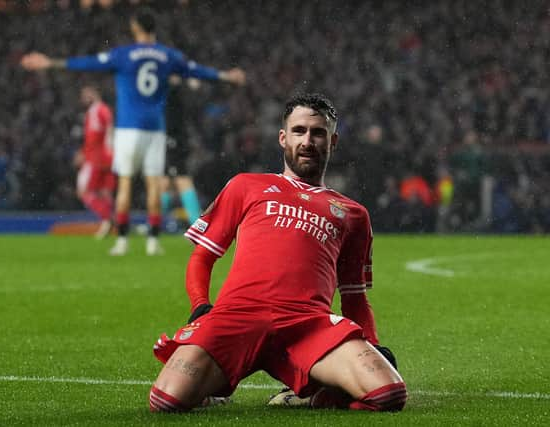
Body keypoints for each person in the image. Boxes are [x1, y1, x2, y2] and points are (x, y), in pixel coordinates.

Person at [149, 93, 407, 413]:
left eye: (318, 132)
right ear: (283, 138)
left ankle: (312, 395)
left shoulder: (354, 214)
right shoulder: (246, 186)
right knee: (166, 401)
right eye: (299, 131)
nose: (307, 141)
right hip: (238, 317)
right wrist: (201, 307)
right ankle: (215, 383)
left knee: (389, 394)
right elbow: (203, 257)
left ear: (333, 140)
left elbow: (354, 297)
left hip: (308, 325)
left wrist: (372, 342)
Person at [20, 7, 246, 256]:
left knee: (125, 185)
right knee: (153, 186)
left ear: (136, 28)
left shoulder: (124, 55)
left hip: (128, 129)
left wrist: (50, 62)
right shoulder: (168, 55)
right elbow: (196, 70)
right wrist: (226, 76)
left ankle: (123, 241)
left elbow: (88, 63)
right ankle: (152, 242)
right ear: (154, 29)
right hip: (156, 130)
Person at [74, 85, 116, 239]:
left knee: (83, 191)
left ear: (94, 93)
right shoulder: (102, 110)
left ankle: (108, 218)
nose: (83, 98)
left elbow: (100, 133)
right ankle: (110, 222)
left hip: (96, 158)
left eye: (86, 94)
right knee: (105, 192)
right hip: (106, 157)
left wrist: (86, 153)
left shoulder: (97, 110)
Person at [161, 76, 202, 227]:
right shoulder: (180, 90)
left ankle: (197, 225)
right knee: (165, 181)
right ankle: (154, 223)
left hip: (174, 139)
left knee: (181, 179)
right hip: (176, 138)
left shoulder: (174, 90)